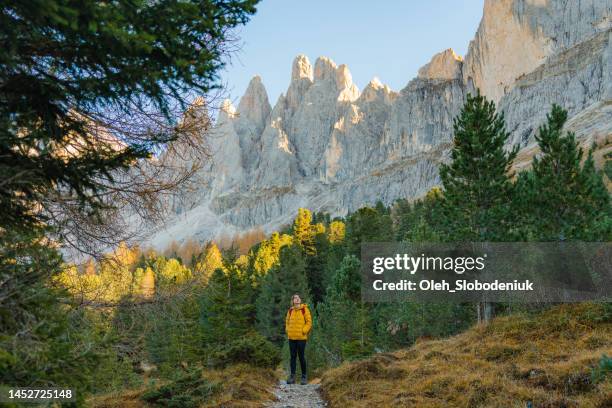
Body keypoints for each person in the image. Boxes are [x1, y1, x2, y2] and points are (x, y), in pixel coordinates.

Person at [285, 293, 312, 385]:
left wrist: (304, 331)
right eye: (294, 298)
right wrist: (288, 330)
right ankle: (292, 377)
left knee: (301, 356)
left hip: (301, 338)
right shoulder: (290, 311)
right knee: (292, 357)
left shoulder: (305, 309)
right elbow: (287, 322)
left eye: (298, 298)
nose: (296, 299)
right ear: (292, 301)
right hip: (291, 337)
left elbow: (309, 322)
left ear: (300, 300)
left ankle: (304, 377)